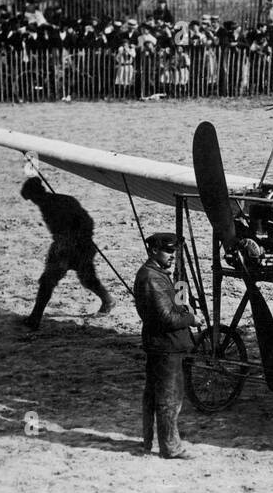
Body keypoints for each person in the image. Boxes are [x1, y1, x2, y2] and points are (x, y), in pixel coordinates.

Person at [133, 232, 197, 459]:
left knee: (153, 394)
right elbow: (167, 318)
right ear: (153, 251)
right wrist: (191, 318)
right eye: (169, 251)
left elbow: (171, 308)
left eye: (175, 251)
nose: (173, 256)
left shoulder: (157, 274)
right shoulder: (153, 278)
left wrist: (183, 304)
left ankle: (149, 443)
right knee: (170, 398)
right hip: (166, 346)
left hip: (159, 345)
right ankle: (171, 447)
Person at [21, 176, 113, 329]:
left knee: (83, 279)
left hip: (79, 247)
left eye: (33, 197)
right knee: (49, 281)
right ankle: (35, 317)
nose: (34, 202)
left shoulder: (62, 202)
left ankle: (107, 300)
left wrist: (75, 239)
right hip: (64, 247)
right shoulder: (49, 204)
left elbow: (88, 222)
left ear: (39, 192)